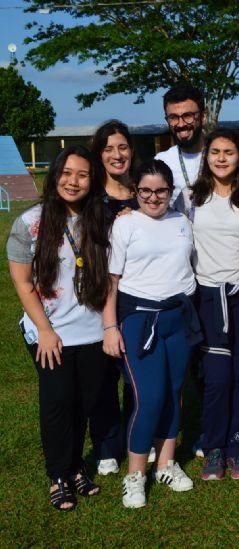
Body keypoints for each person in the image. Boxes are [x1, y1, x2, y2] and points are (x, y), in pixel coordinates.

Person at [7, 146, 111, 511]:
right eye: (67, 173)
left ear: (92, 180)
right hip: (50, 333)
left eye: (82, 174)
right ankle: (58, 475)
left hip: (94, 331)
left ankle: (76, 467)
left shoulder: (101, 218)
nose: (74, 181)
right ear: (54, 176)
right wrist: (44, 329)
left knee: (84, 401)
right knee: (58, 403)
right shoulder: (31, 222)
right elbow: (22, 282)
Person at [102, 159, 201, 508]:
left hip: (178, 317)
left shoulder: (182, 222)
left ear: (171, 192)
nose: (154, 197)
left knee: (174, 393)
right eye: (146, 190)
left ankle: (166, 464)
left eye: (161, 190)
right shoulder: (126, 225)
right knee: (149, 398)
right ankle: (135, 475)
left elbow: (189, 266)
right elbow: (111, 283)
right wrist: (110, 327)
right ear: (135, 192)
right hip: (138, 320)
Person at [190, 128, 239, 481]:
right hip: (205, 297)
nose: (220, 158)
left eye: (228, 152)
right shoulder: (190, 199)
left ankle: (237, 445)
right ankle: (213, 446)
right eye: (214, 151)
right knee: (216, 378)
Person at [88, 120, 139, 477]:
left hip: (138, 297)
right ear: (99, 154)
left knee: (138, 374)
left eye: (121, 147)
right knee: (103, 376)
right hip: (98, 296)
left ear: (131, 151)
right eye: (108, 149)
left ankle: (140, 436)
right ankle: (107, 446)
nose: (116, 155)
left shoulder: (144, 191)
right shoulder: (91, 195)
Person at [154, 84, 239, 215]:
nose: (181, 124)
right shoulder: (161, 161)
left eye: (188, 116)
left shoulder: (226, 154)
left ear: (203, 116)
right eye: (173, 118)